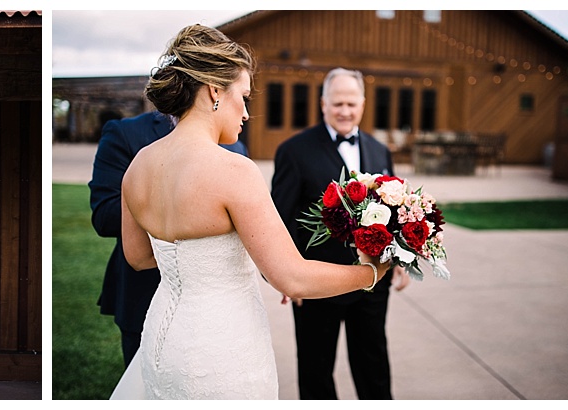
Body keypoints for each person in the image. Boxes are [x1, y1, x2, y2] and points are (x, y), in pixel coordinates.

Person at [109, 24, 391, 400]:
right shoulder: (234, 171)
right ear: (214, 90)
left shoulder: (138, 167)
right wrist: (371, 273)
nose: (246, 112)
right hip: (222, 347)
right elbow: (290, 278)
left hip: (163, 338)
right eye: (243, 96)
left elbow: (140, 257)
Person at [270, 67, 410, 400]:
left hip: (373, 282)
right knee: (316, 370)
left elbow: (393, 214)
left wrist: (400, 258)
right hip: (318, 284)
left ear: (362, 104)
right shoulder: (294, 151)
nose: (345, 111)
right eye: (337, 104)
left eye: (351, 103)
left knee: (374, 364)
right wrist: (284, 275)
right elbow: (278, 219)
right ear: (323, 104)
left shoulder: (380, 150)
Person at [90, 110, 247, 367]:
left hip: (219, 304)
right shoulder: (126, 134)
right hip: (145, 293)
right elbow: (104, 215)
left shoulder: (235, 143)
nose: (246, 113)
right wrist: (187, 207)